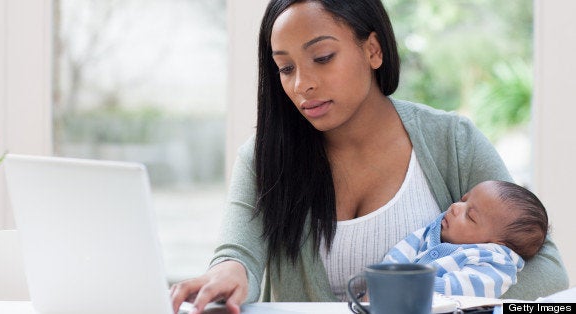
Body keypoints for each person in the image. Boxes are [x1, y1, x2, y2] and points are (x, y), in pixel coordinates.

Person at [170, 0, 569, 313]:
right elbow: (238, 256)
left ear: (373, 49)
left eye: (322, 57)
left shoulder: (452, 141)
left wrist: (431, 301)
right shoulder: (262, 158)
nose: (301, 84)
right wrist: (226, 275)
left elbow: (547, 271)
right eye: (285, 67)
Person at [382, 180, 548, 298]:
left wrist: (409, 285)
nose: (455, 207)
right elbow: (403, 250)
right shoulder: (434, 232)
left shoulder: (494, 264)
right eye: (463, 200)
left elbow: (459, 290)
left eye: (470, 216)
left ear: (494, 244)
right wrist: (382, 277)